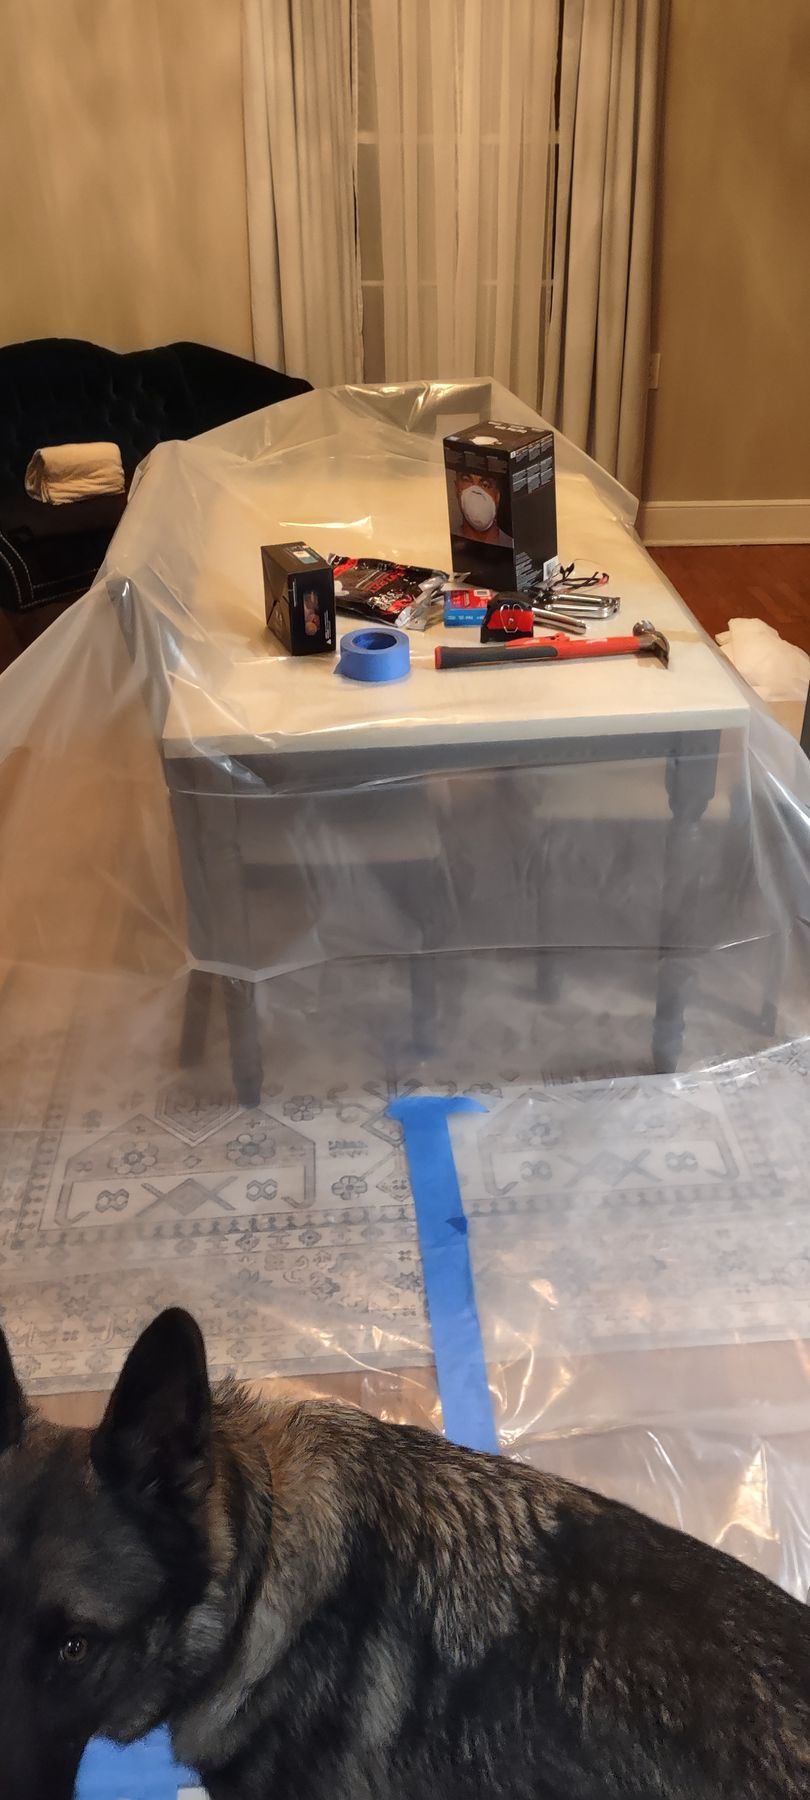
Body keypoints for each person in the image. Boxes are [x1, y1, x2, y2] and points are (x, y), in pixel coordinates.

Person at [454, 469, 513, 546]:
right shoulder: (445, 541)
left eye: (485, 485)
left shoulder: (513, 546)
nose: (475, 491)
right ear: (456, 489)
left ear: (497, 496)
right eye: (466, 480)